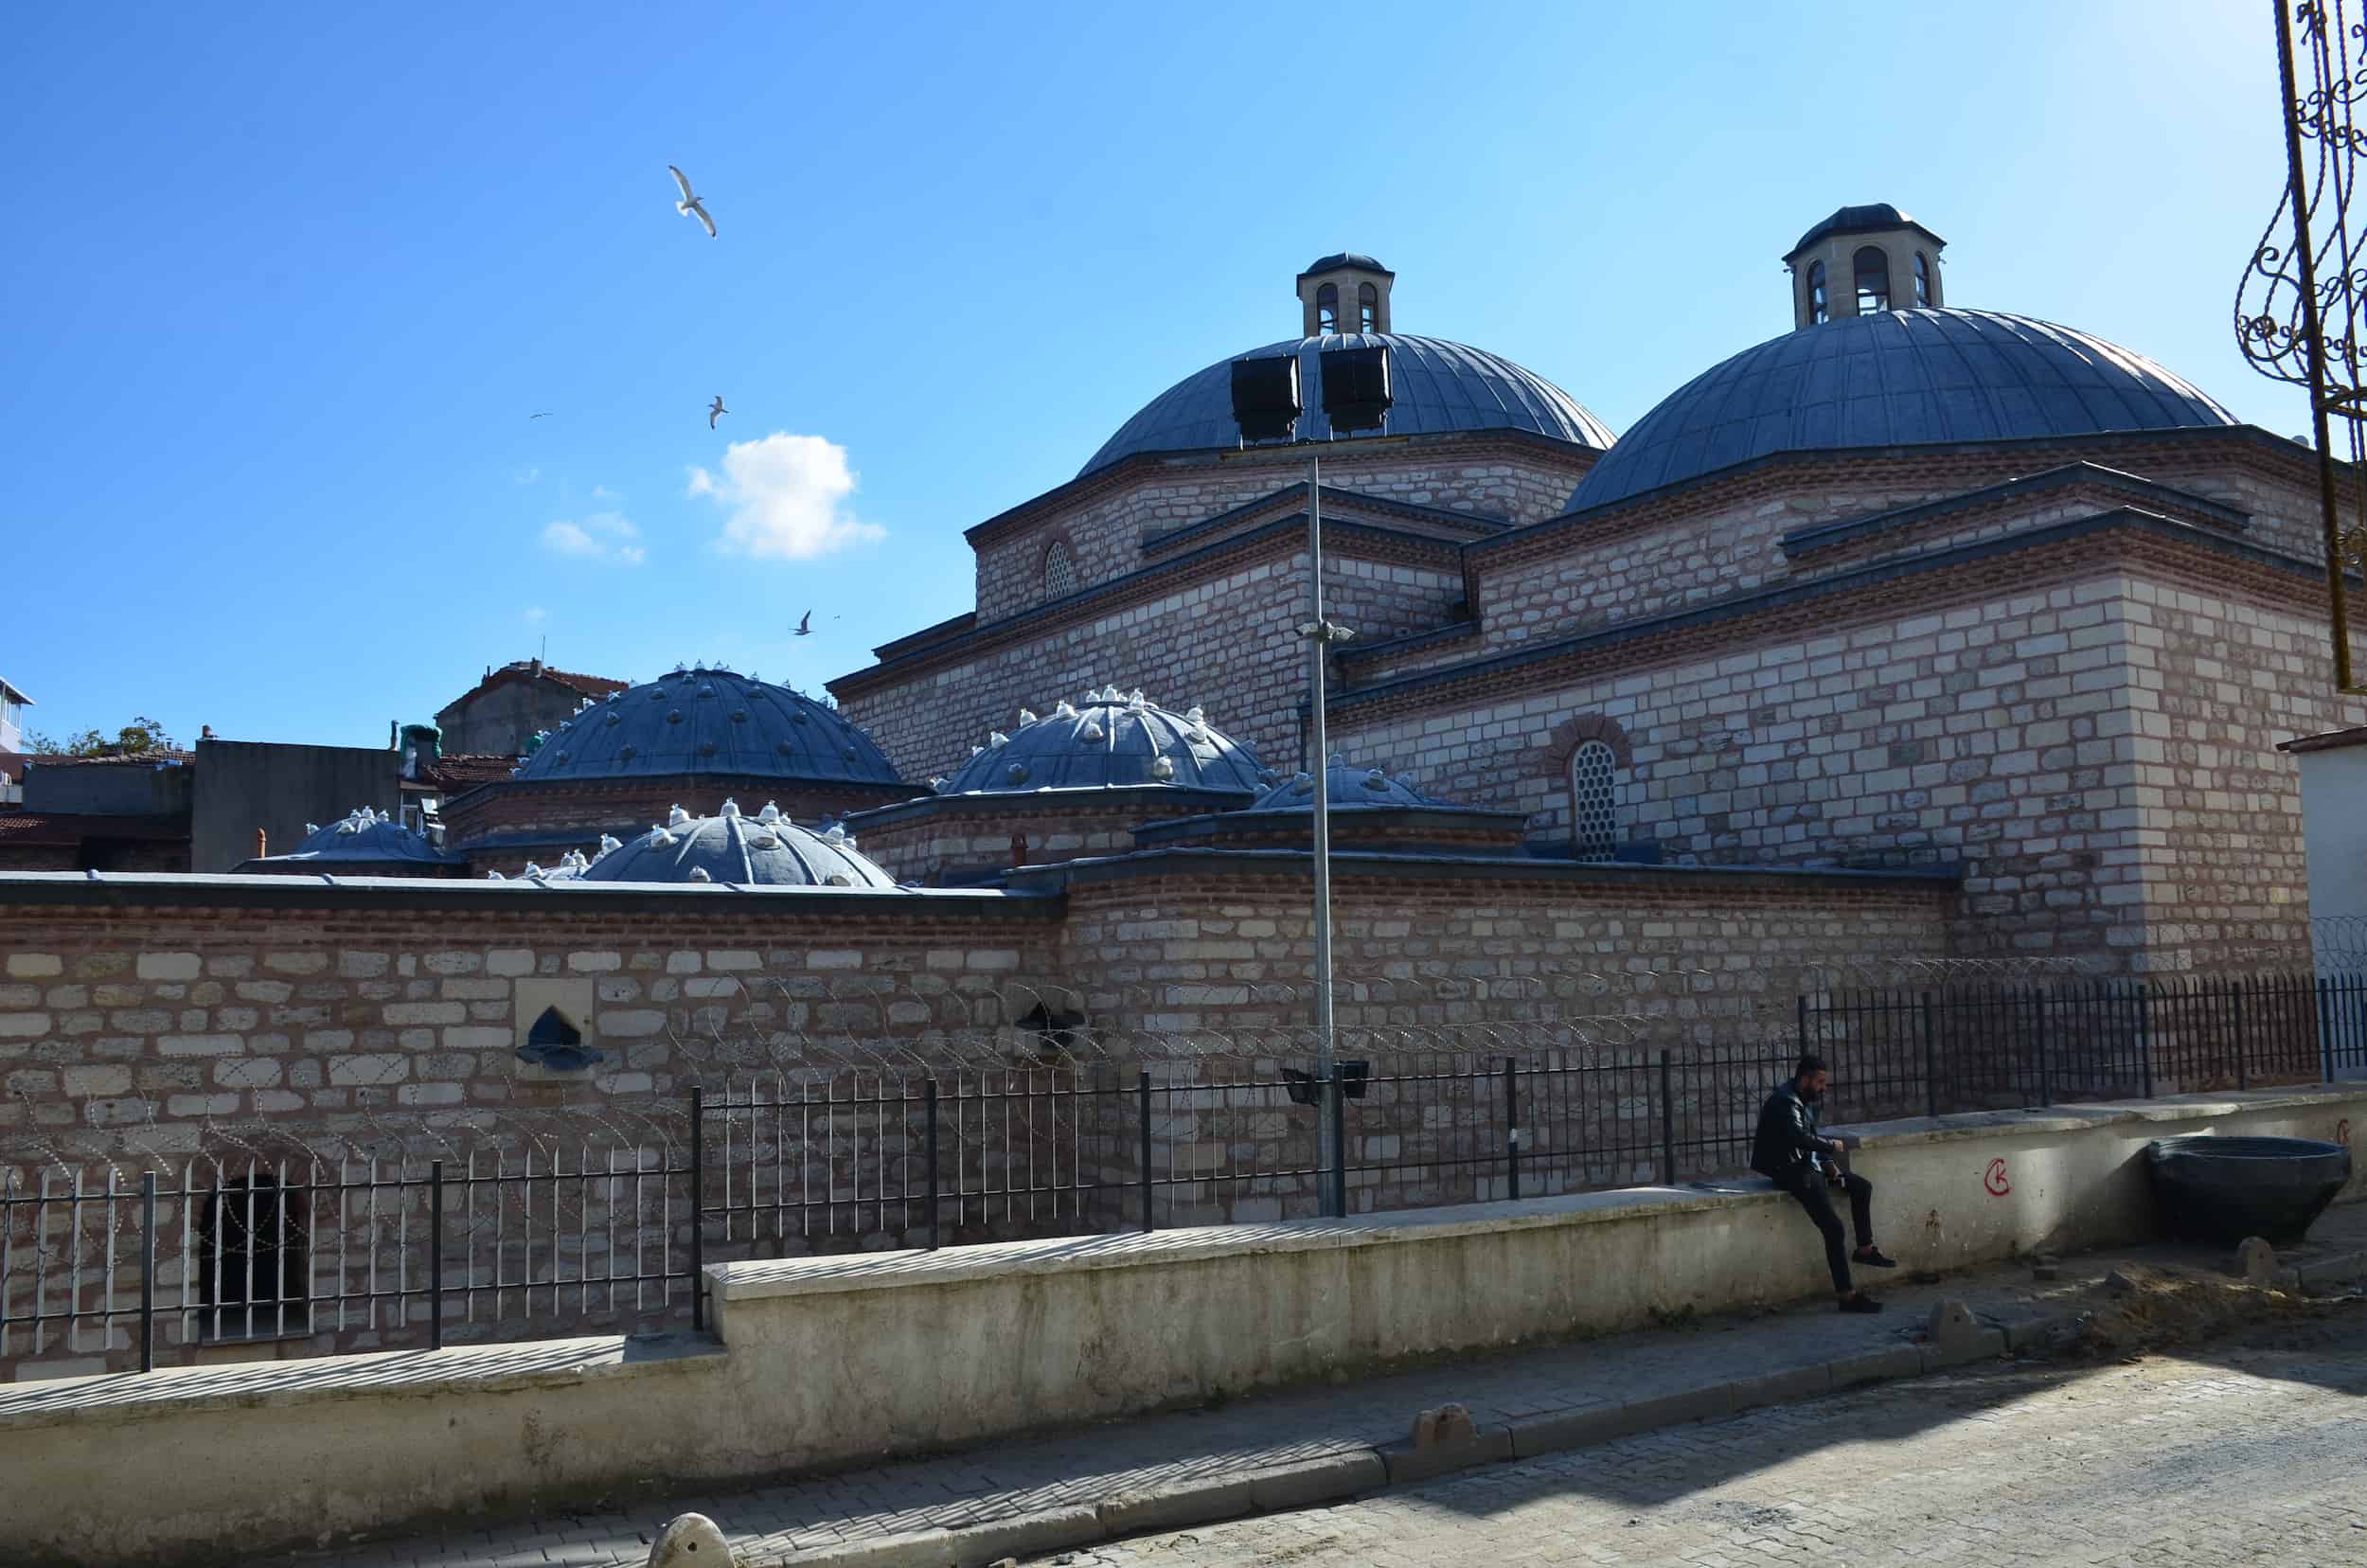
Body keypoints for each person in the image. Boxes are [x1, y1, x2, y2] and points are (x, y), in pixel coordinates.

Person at [1752, 1053, 1895, 1312]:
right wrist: (1832, 1146)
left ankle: (1864, 1249)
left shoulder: (1801, 1100)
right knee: (1834, 1229)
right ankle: (1847, 1296)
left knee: (1861, 1187)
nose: (1823, 1088)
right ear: (1805, 1079)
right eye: (1819, 1082)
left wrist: (1829, 1164)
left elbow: (1809, 1139)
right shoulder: (1784, 1102)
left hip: (1806, 1164)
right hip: (1791, 1171)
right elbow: (1798, 1138)